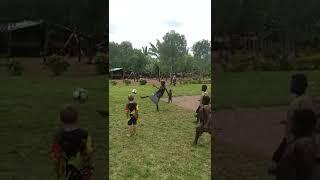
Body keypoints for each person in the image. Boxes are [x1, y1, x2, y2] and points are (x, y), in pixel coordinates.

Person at [270, 73, 316, 173]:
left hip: (296, 138)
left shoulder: (299, 102)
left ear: (297, 86)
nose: (290, 86)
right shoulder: (306, 100)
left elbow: (306, 120)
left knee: (280, 162)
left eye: (292, 83)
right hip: (299, 137)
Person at [49, 104, 94, 180]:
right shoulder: (85, 135)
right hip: (82, 174)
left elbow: (55, 156)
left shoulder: (58, 137)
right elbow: (89, 153)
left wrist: (57, 170)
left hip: (65, 174)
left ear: (61, 120)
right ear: (77, 119)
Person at [274, 109, 317, 180]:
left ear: (298, 126)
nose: (291, 127)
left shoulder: (296, 148)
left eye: (293, 123)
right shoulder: (313, 142)